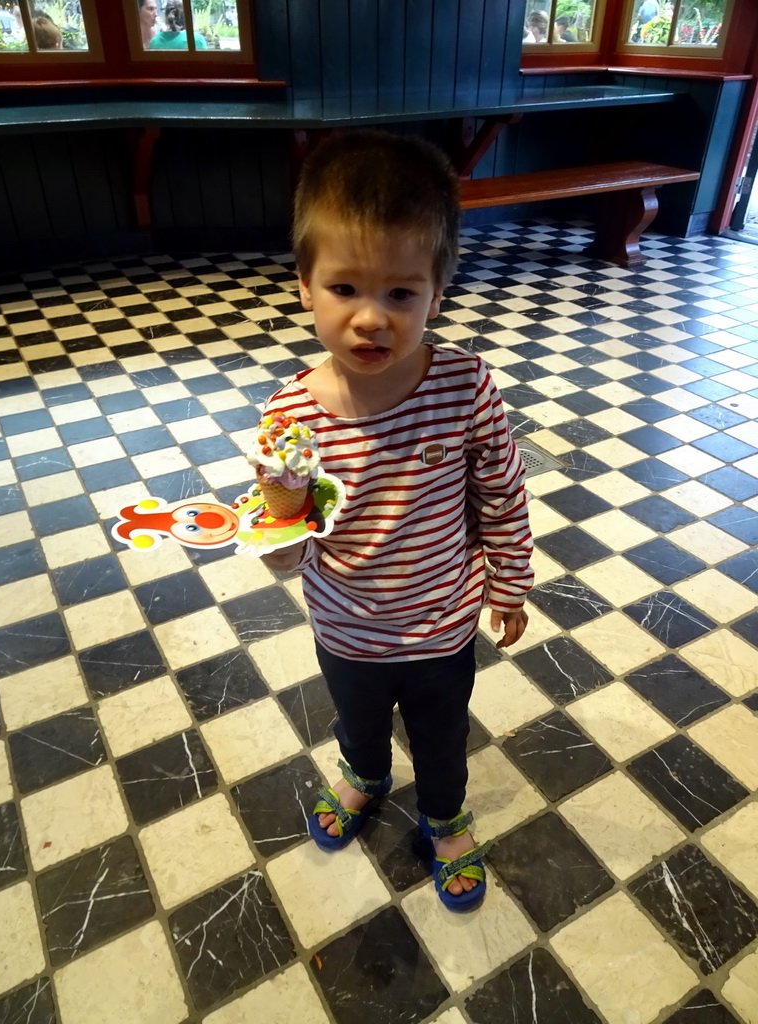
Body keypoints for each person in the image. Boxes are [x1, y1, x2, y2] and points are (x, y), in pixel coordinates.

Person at [260, 131, 533, 912]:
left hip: (442, 619)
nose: (372, 318)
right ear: (305, 285)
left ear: (437, 294)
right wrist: (277, 543)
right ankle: (364, 775)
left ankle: (445, 815)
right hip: (345, 623)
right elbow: (288, 537)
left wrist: (509, 583)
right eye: (345, 287)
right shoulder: (289, 415)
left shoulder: (463, 386)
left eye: (401, 294)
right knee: (356, 716)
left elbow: (502, 491)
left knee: (443, 735)